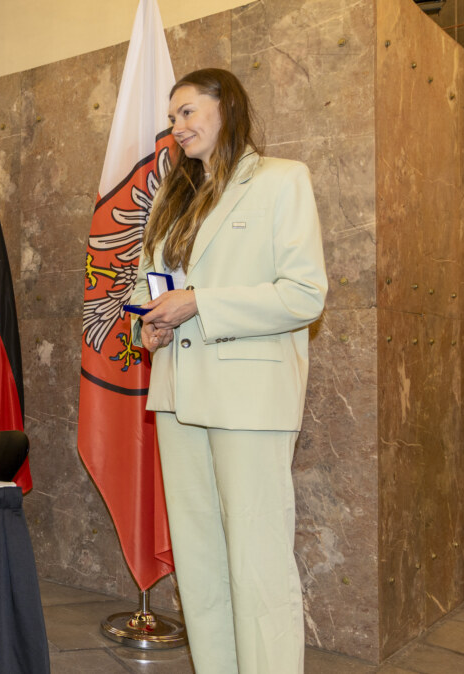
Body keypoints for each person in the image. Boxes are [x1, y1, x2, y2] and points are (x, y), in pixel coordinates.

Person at [130, 68, 327, 673]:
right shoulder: (171, 199)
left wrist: (199, 303)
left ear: (227, 107)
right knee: (200, 561)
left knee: (256, 559)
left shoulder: (282, 179)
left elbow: (304, 295)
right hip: (177, 394)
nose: (177, 126)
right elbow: (146, 288)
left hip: (249, 397)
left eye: (188, 111)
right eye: (172, 118)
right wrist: (149, 328)